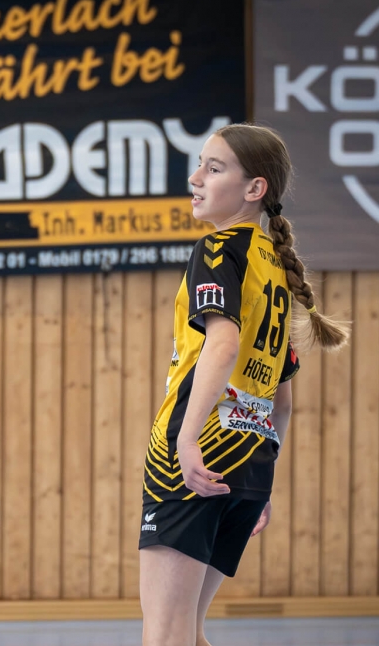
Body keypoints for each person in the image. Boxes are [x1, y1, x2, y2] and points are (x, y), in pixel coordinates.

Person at [138, 123, 349, 646]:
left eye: (214, 168)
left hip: (200, 453)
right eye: (200, 165)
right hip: (250, 461)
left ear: (255, 188)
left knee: (165, 635)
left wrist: (186, 439)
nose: (196, 177)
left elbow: (224, 344)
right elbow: (282, 399)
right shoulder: (276, 267)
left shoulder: (220, 249)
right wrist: (262, 479)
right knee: (190, 631)